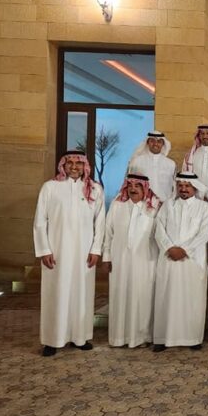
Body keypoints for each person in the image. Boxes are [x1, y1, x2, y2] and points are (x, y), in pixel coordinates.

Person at [33, 150, 105, 357]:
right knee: (56, 293)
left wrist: (96, 249)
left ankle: (80, 337)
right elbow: (40, 221)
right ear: (62, 166)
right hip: (57, 251)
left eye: (78, 163)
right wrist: (44, 249)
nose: (74, 167)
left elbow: (100, 221)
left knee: (82, 294)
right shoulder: (50, 187)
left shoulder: (95, 189)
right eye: (70, 163)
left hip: (84, 253)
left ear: (85, 166)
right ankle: (52, 340)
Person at [152, 172, 208, 352]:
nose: (183, 189)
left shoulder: (204, 208)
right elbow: (159, 230)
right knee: (166, 297)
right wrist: (170, 248)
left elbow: (204, 234)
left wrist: (184, 250)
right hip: (169, 258)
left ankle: (192, 338)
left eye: (187, 186)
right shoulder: (167, 205)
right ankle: (162, 338)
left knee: (192, 299)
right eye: (181, 186)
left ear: (195, 188)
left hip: (192, 262)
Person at [103, 173, 161, 348]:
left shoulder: (154, 207)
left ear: (145, 188)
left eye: (137, 186)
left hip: (146, 261)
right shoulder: (117, 205)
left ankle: (141, 338)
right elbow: (108, 232)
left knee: (142, 298)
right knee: (120, 296)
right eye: (130, 185)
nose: (133, 189)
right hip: (119, 261)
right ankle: (118, 338)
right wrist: (106, 257)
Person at [128, 130, 176, 202]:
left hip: (164, 204)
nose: (155, 144)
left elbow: (175, 187)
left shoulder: (171, 164)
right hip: (143, 204)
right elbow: (129, 183)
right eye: (152, 141)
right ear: (147, 142)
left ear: (163, 144)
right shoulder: (137, 162)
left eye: (159, 141)